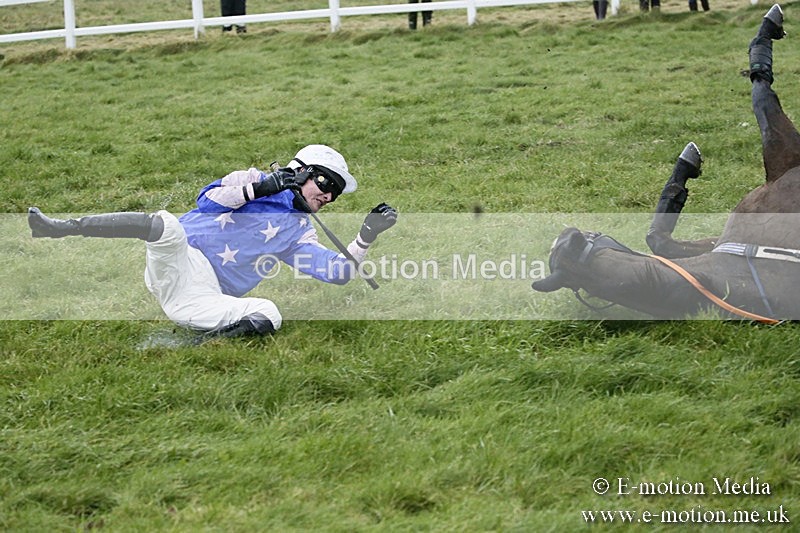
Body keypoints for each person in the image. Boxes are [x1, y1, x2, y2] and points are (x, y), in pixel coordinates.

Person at [27, 144, 398, 339]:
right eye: (325, 184)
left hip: (199, 298)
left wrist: (367, 234)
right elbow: (207, 201)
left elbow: (336, 274)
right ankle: (60, 227)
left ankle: (190, 343)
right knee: (167, 226)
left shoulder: (300, 232)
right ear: (300, 172)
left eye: (336, 192)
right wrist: (263, 187)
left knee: (270, 313)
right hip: (179, 260)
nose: (329, 197)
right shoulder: (250, 178)